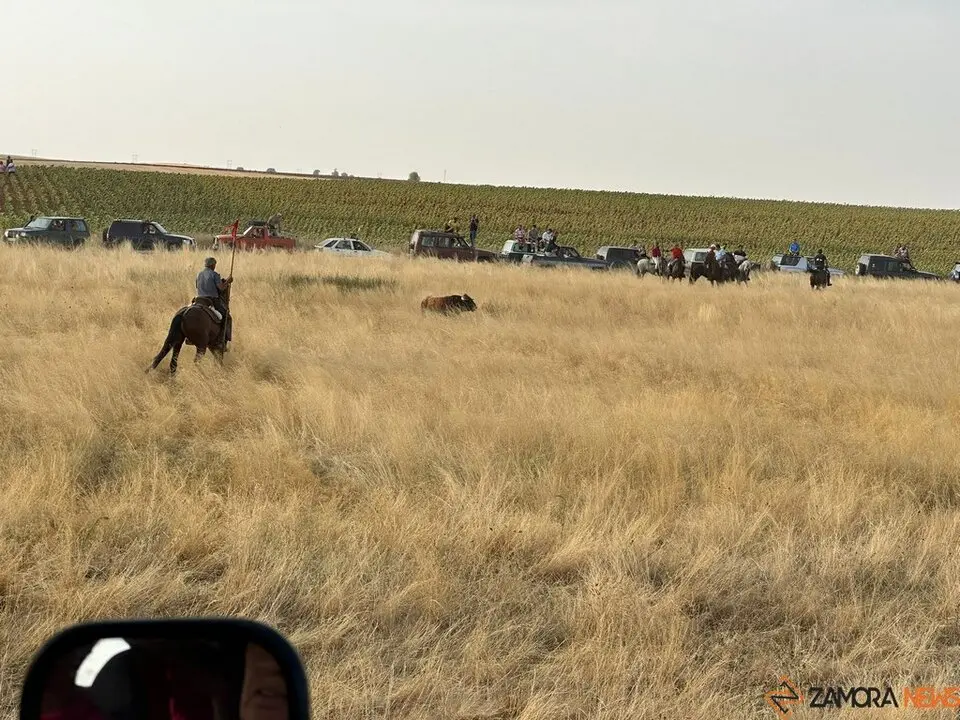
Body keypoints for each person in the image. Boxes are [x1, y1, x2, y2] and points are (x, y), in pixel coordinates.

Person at [194, 257, 233, 347]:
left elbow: (197, 286)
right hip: (212, 300)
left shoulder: (199, 274)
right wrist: (228, 281)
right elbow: (221, 288)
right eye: (215, 264)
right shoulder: (215, 275)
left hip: (199, 299)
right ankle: (222, 338)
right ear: (212, 265)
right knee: (227, 317)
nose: (215, 266)